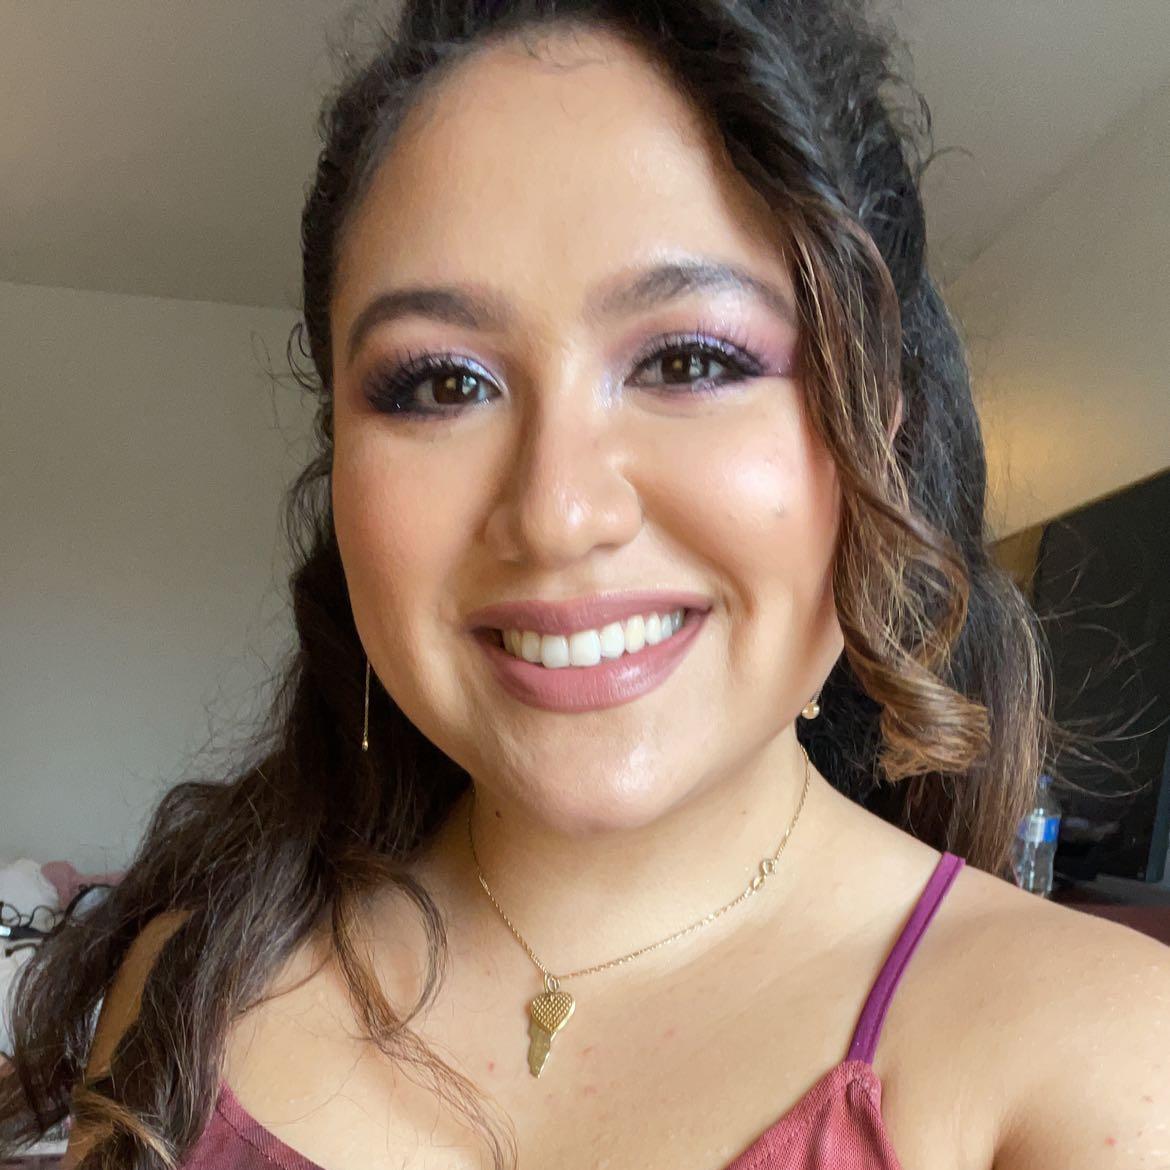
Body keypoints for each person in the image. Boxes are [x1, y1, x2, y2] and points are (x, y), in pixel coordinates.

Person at [3, 2, 1168, 1168]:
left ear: (877, 433)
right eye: (442, 384)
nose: (557, 513)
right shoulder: (187, 990)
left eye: (691, 360)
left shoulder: (1104, 1056)